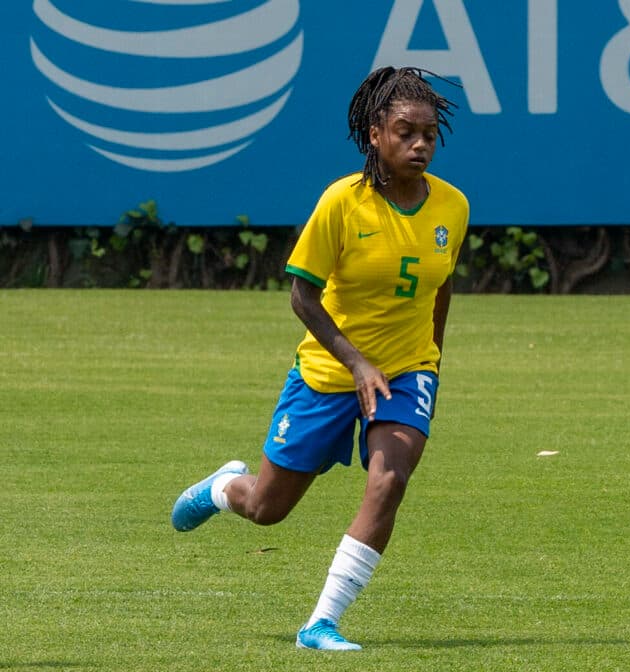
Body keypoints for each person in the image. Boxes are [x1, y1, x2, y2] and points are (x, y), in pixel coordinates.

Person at [170, 66, 468, 652]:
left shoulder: (452, 208)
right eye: (405, 131)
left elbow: (442, 286)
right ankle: (225, 488)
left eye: (429, 134)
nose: (420, 144)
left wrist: (431, 362)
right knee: (266, 509)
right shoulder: (342, 202)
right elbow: (302, 296)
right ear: (375, 134)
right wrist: (356, 363)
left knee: (390, 481)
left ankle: (321, 623)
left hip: (407, 372)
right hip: (329, 373)